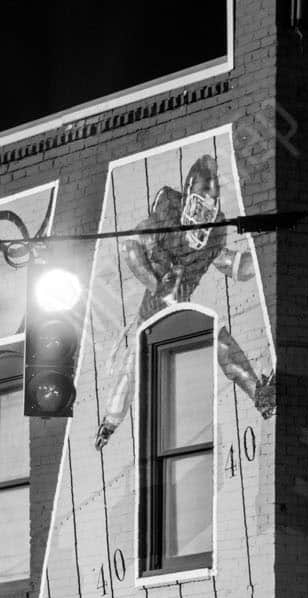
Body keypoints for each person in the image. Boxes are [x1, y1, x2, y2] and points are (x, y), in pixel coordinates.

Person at [95, 155, 275, 450]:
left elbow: (232, 264)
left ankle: (260, 395)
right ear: (186, 198)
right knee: (132, 368)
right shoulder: (166, 212)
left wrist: (262, 254)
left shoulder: (215, 233)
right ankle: (109, 425)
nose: (201, 216)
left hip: (181, 310)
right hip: (151, 315)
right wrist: (159, 286)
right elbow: (131, 247)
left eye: (208, 209)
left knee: (220, 341)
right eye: (197, 206)